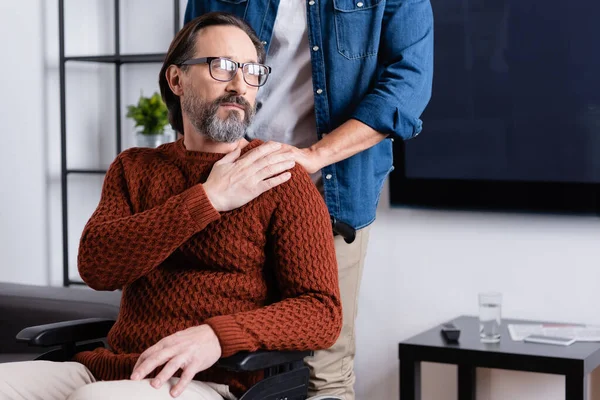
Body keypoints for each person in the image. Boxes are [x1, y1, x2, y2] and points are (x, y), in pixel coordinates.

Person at [0, 12, 342, 400]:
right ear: (176, 79)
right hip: (106, 367)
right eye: (222, 66)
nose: (239, 84)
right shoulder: (134, 168)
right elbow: (97, 266)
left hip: (209, 380)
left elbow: (321, 311)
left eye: (251, 71)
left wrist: (217, 335)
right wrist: (208, 199)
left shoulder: (279, 176)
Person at [184, 1, 434, 399]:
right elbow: (192, 66)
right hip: (230, 182)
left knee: (324, 370)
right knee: (218, 357)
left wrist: (314, 157)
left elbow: (408, 85)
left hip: (328, 192)